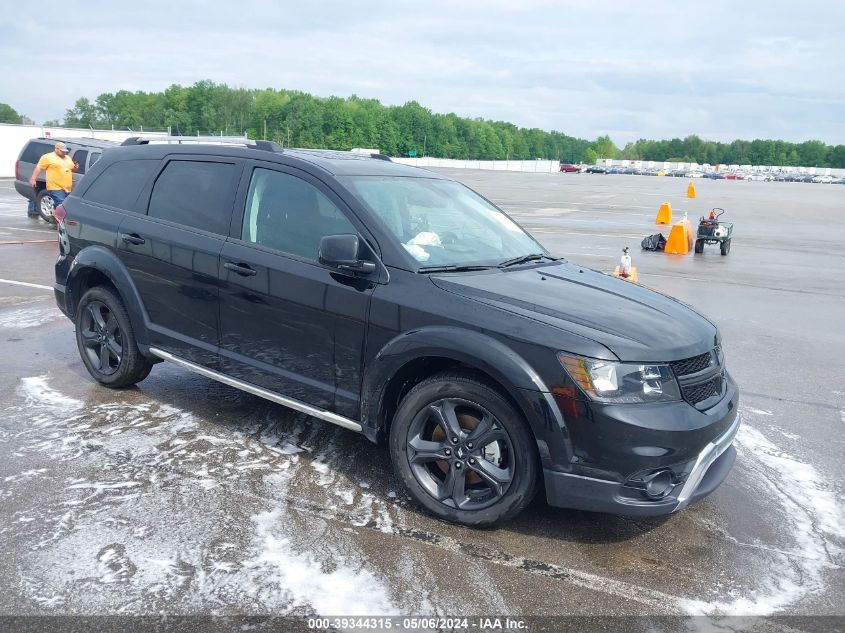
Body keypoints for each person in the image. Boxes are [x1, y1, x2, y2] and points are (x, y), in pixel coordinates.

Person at [29, 142, 79, 213]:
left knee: (65, 206)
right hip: (55, 187)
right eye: (62, 151)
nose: (64, 153)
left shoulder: (67, 158)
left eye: (65, 151)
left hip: (67, 188)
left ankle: (57, 218)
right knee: (61, 205)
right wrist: (33, 179)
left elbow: (72, 169)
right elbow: (39, 168)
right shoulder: (47, 157)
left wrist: (75, 168)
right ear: (56, 149)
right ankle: (60, 221)